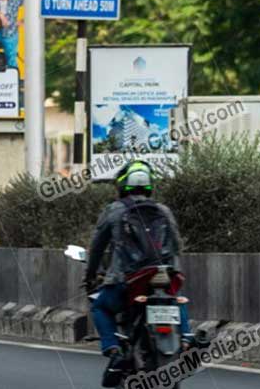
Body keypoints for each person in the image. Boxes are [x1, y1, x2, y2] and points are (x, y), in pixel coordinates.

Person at [85, 160, 198, 387]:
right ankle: (186, 339)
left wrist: (90, 275)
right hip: (163, 275)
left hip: (125, 279)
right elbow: (176, 244)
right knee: (174, 301)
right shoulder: (163, 211)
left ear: (122, 185)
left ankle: (114, 350)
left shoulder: (114, 211)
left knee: (100, 307)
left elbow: (97, 247)